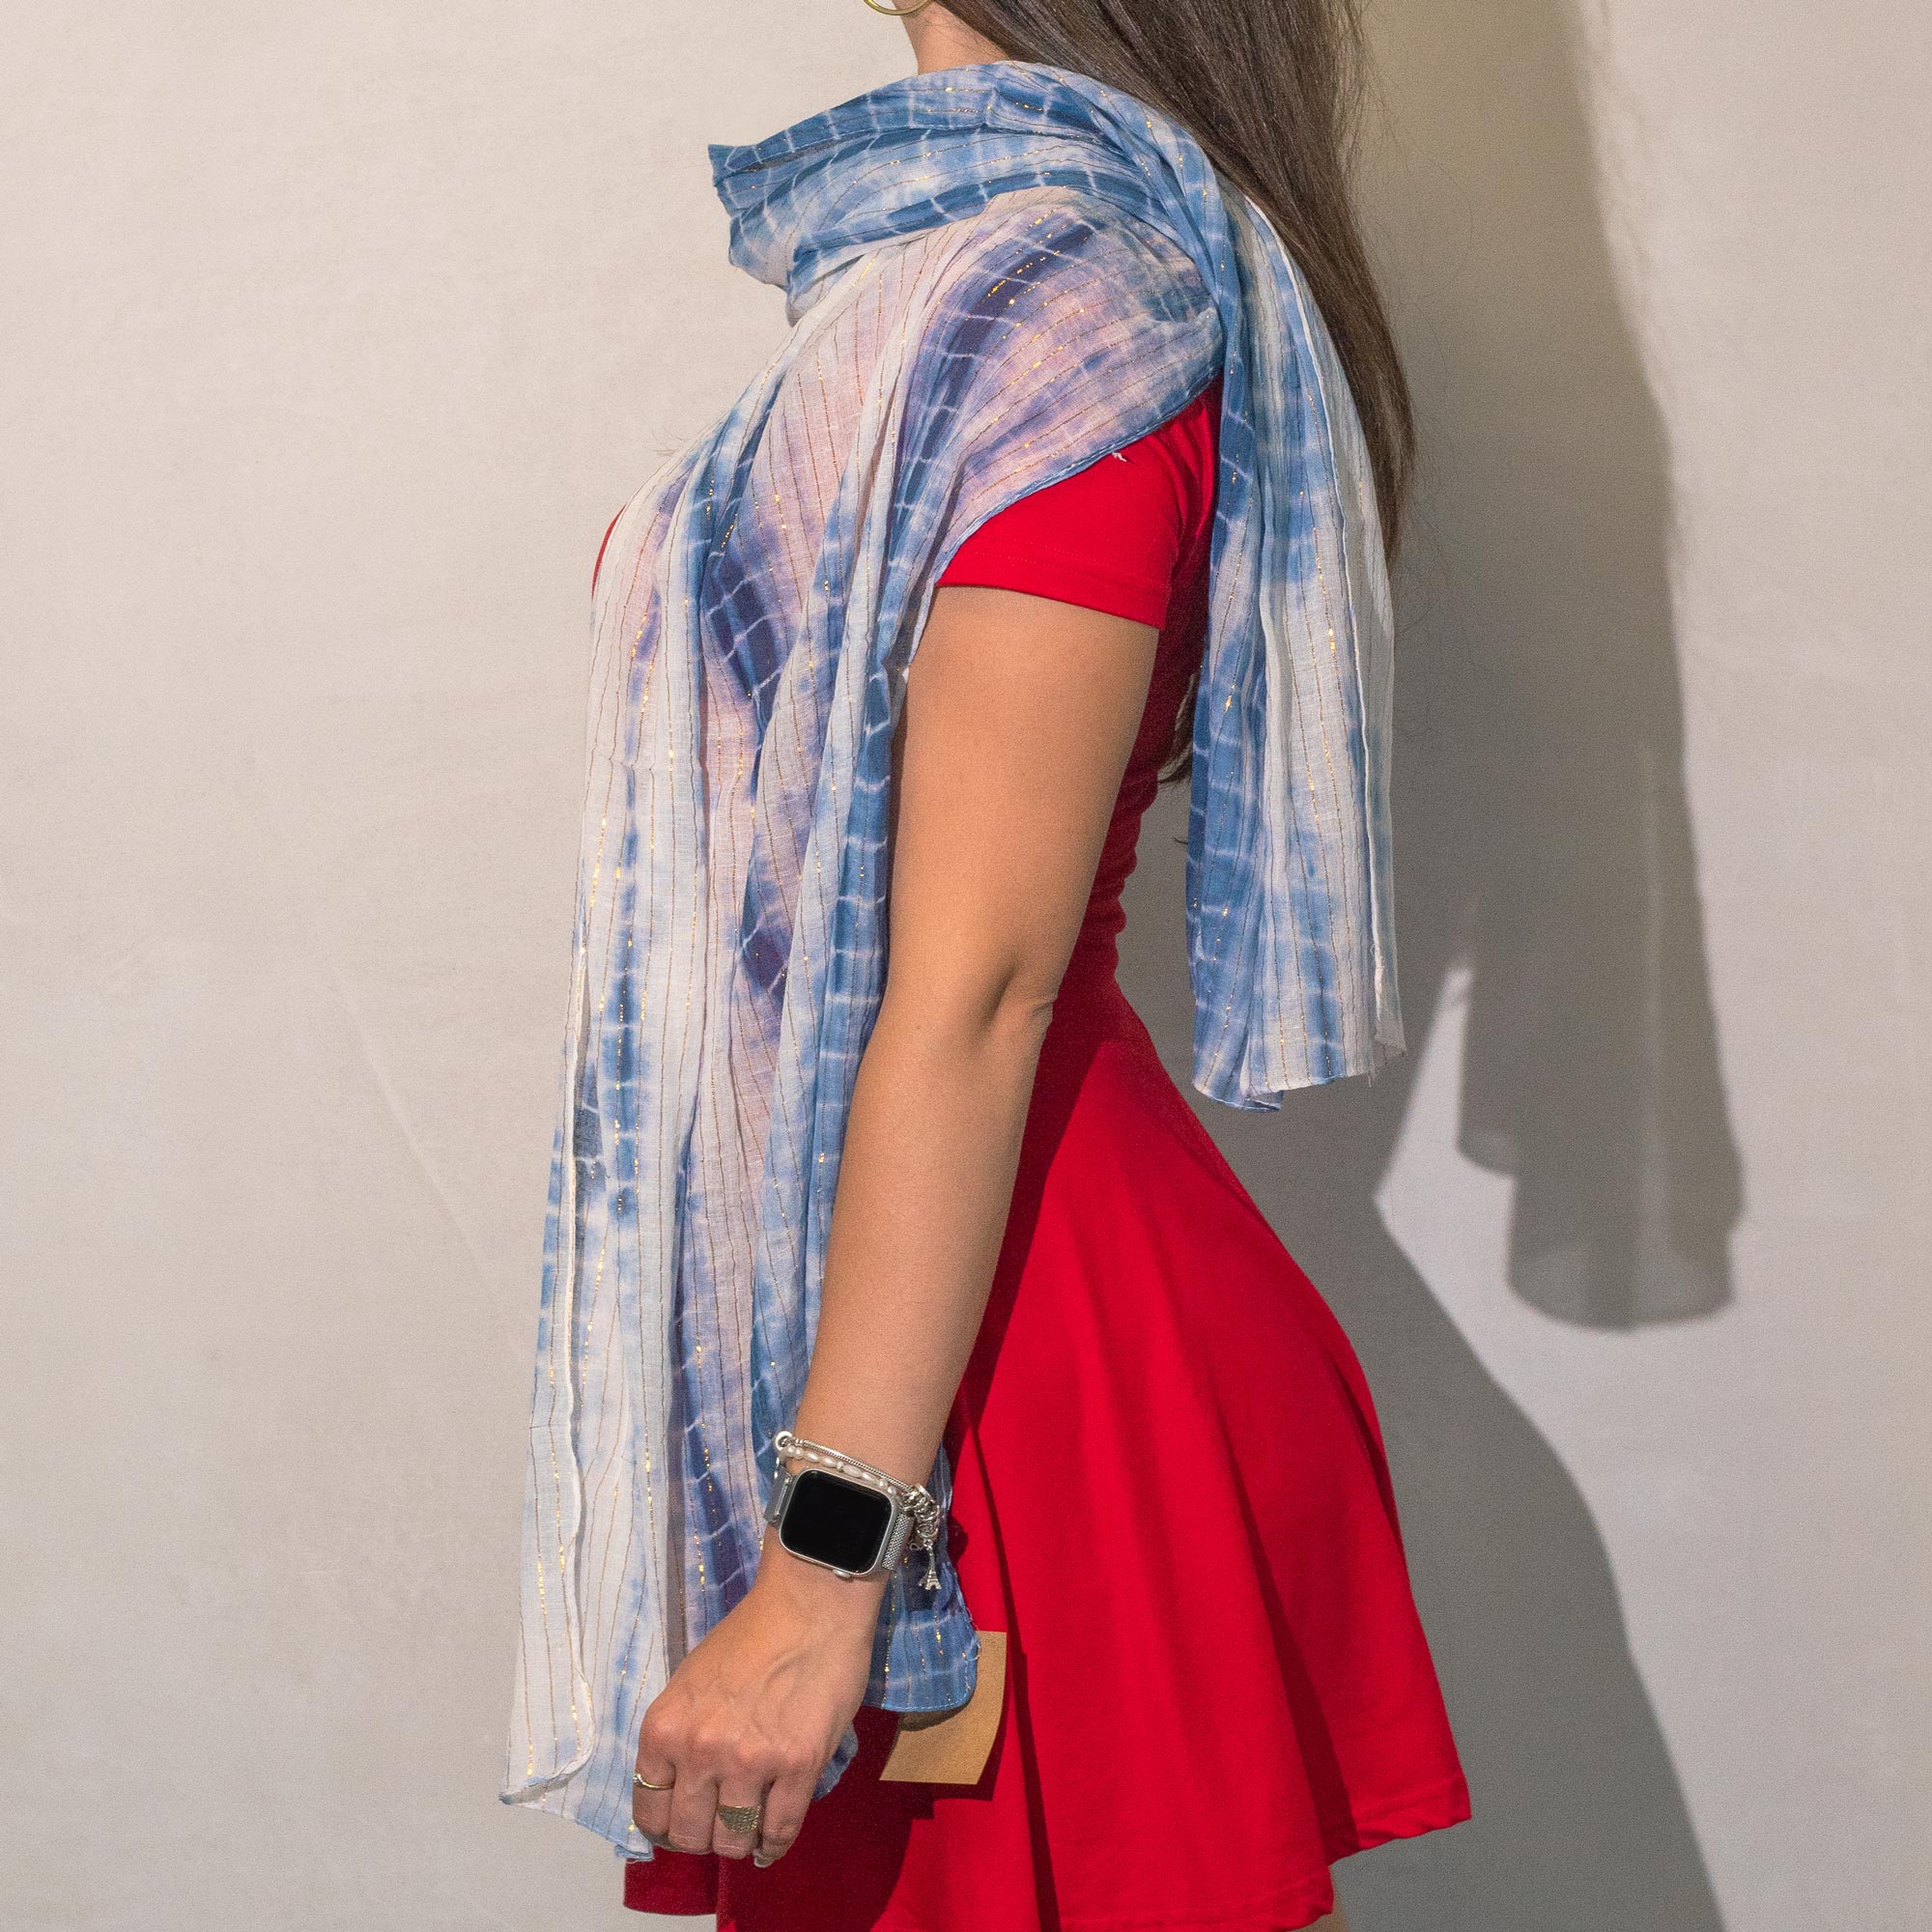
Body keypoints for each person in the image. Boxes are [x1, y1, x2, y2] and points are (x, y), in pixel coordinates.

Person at [502, 7, 1470, 1928]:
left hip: (1017, 1404)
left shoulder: (1065, 313)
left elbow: (976, 988)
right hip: (910, 1344)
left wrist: (823, 1565)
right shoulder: (932, 289)